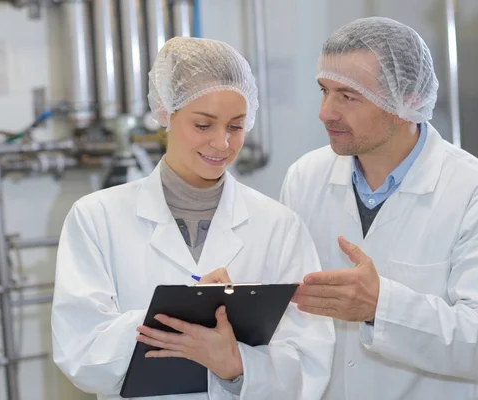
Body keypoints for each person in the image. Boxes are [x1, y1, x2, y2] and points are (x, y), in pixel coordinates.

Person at [51, 37, 335, 400]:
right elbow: (80, 352)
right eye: (204, 125)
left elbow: (310, 360)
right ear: (166, 113)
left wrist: (236, 366)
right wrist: (176, 318)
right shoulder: (96, 218)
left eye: (235, 126)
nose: (222, 143)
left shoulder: (278, 225)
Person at [280, 17, 478, 400]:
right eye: (324, 90)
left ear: (406, 100)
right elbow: (287, 319)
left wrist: (381, 306)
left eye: (348, 96)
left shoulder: (476, 192)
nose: (326, 112)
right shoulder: (304, 178)